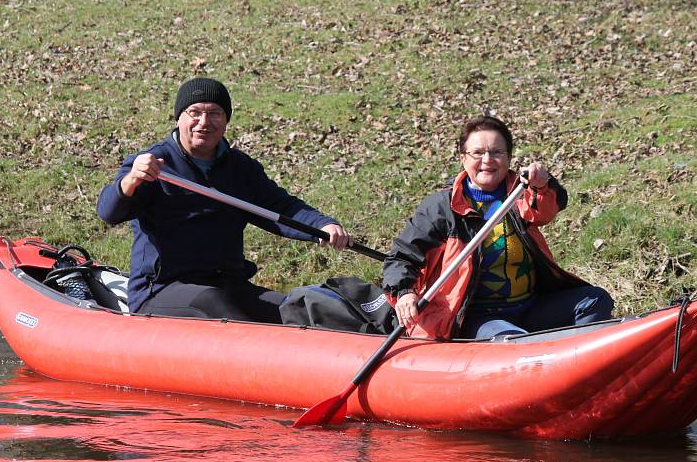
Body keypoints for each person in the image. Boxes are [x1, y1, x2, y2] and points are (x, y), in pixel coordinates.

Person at [97, 77, 352, 321]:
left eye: (215, 113)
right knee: (214, 303)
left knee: (292, 309)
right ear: (179, 119)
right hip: (161, 290)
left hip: (228, 284)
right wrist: (131, 180)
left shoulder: (240, 168)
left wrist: (322, 225)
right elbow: (109, 211)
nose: (204, 122)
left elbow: (281, 207)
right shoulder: (153, 163)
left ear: (226, 120)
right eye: (194, 112)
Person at [382, 115, 613, 340]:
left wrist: (543, 184)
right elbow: (402, 258)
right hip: (476, 316)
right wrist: (404, 293)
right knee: (513, 340)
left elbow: (548, 208)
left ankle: (577, 366)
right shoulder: (441, 208)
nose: (487, 160)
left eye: (496, 152)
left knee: (595, 300)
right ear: (463, 158)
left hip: (530, 305)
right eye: (478, 153)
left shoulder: (520, 193)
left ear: (509, 158)